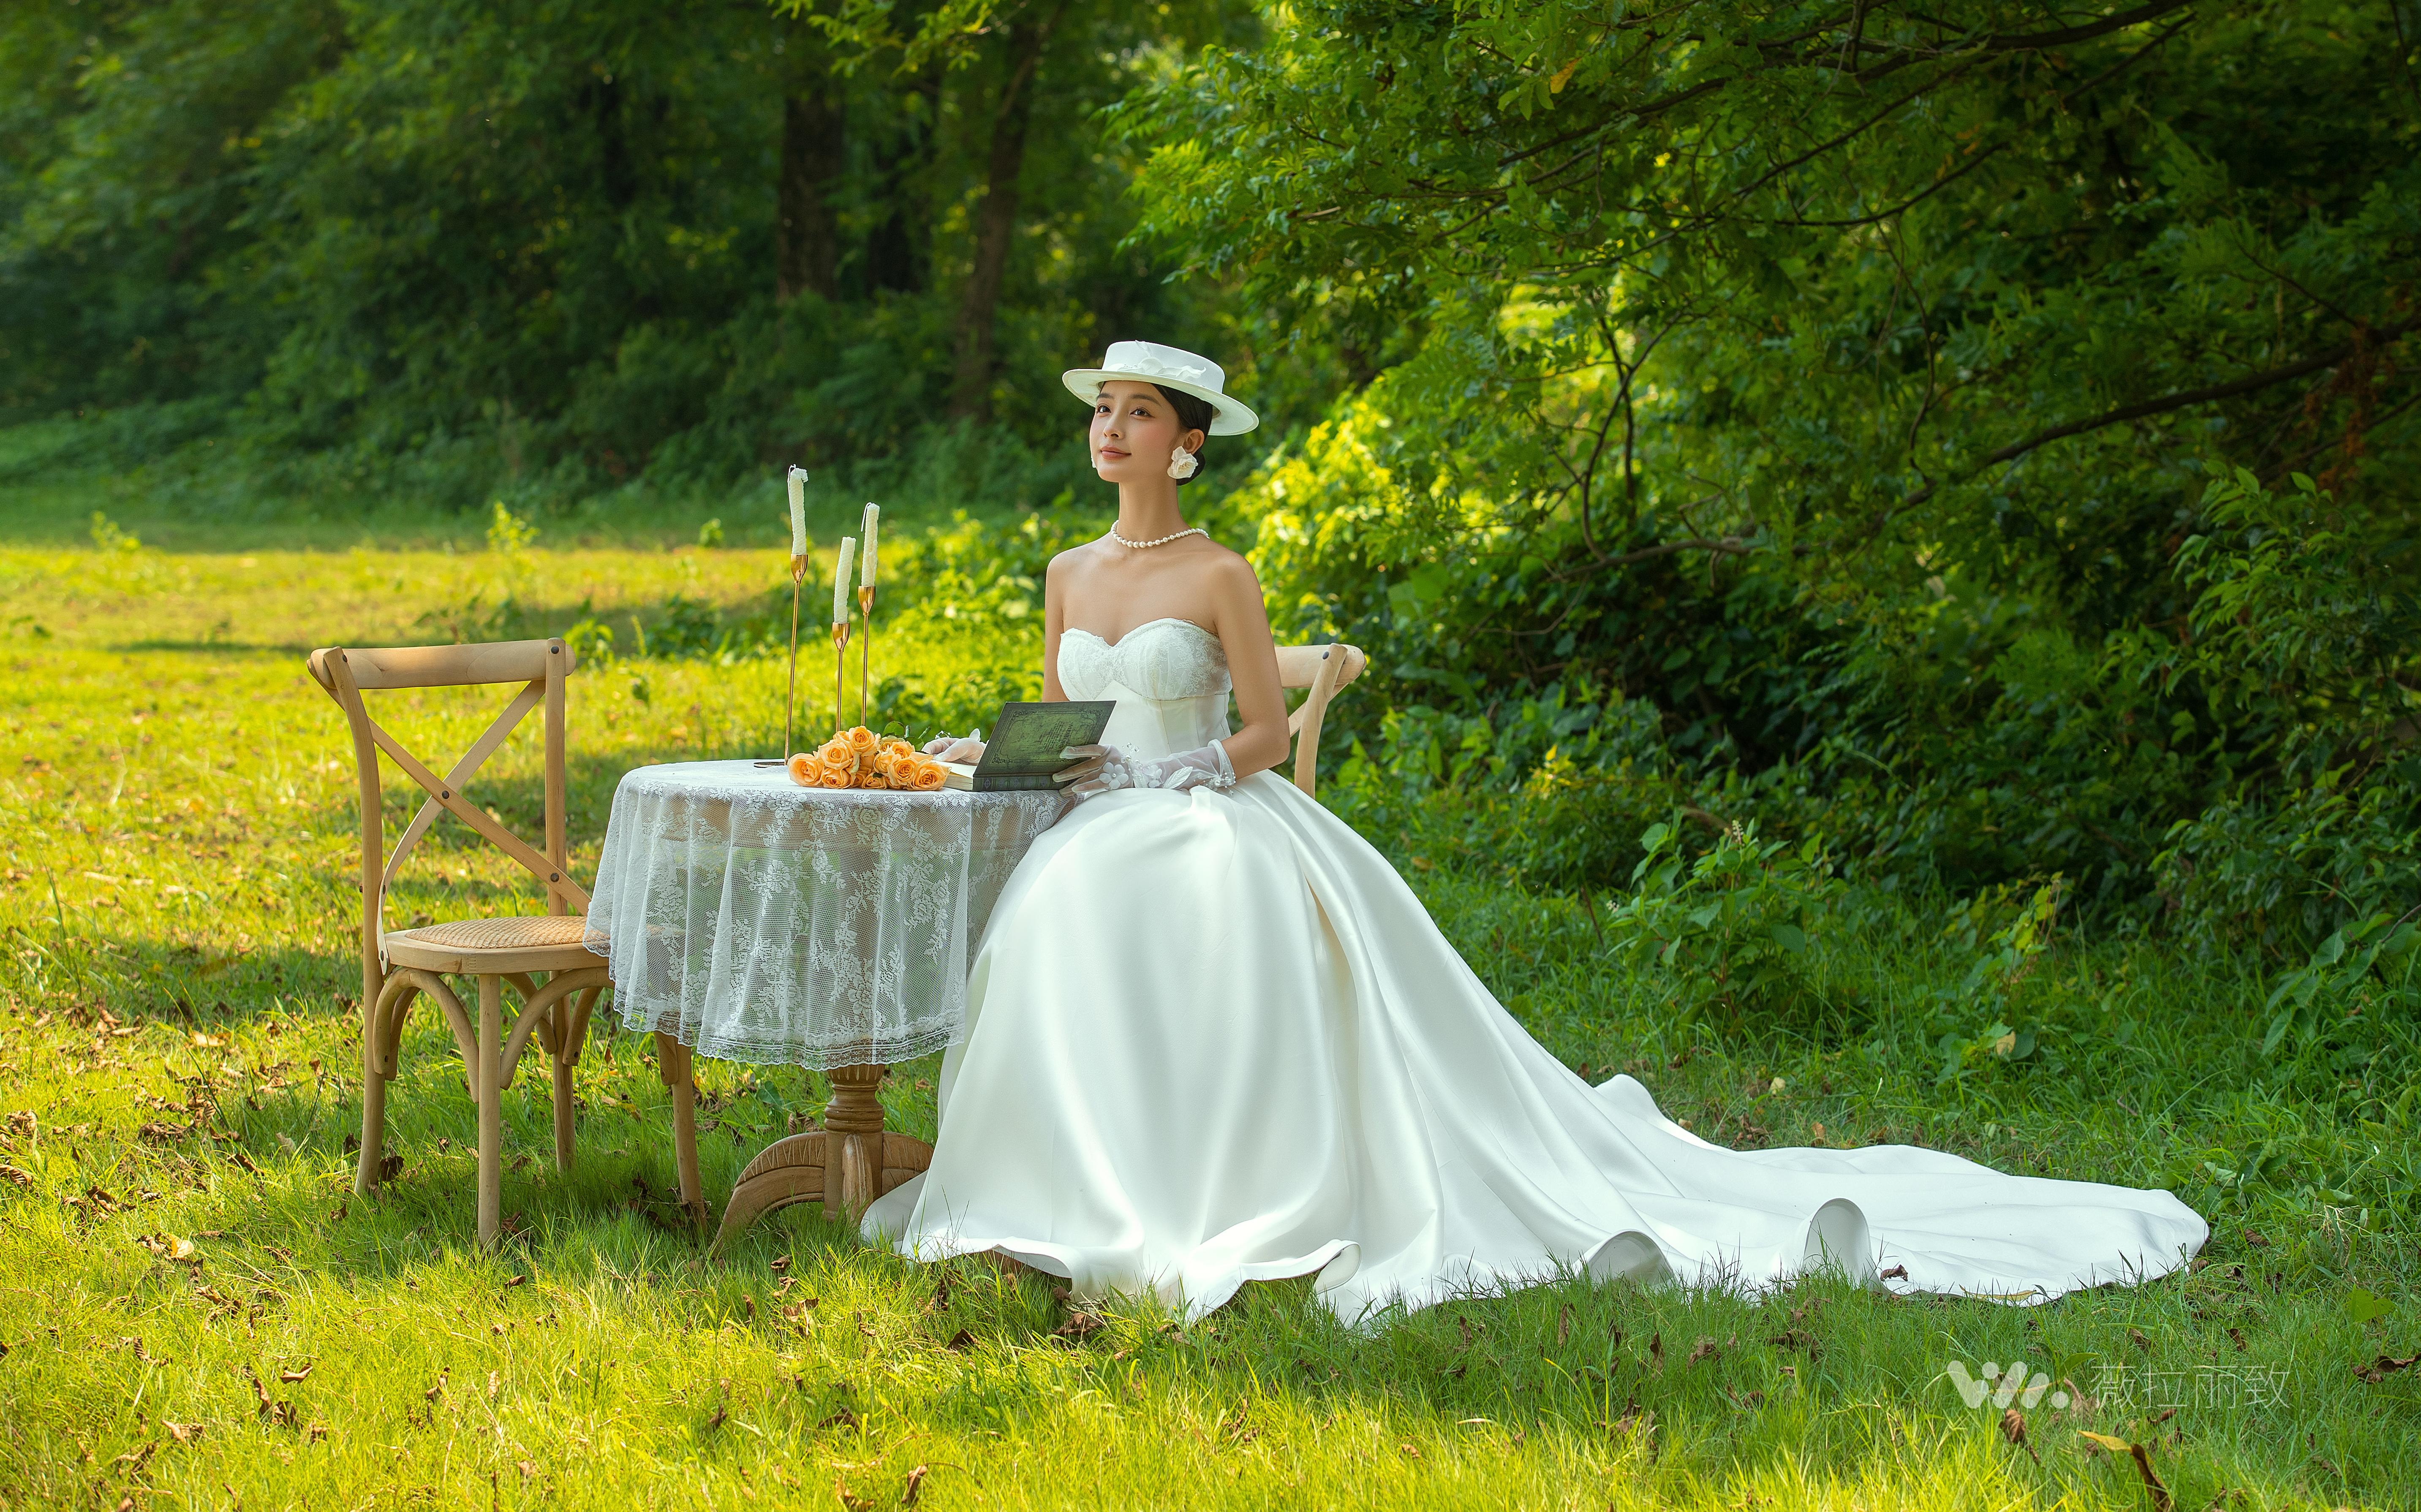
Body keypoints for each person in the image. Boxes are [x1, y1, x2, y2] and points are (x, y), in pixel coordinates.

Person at [864, 339, 2208, 1324]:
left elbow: (1268, 736)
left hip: (1211, 812)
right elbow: (1058, 715)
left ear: (1187, 442)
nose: (1109, 428)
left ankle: (1215, 1194)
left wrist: (1188, 775)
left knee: (1199, 897)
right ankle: (1067, 1194)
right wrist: (990, 751)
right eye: (1102, 409)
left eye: (1137, 412)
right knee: (1052, 904)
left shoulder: (1221, 573)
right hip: (1099, 817)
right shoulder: (1067, 570)